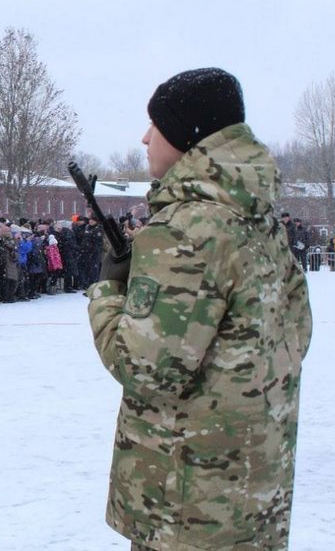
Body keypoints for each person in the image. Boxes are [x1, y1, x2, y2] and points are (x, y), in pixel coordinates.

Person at [87, 67, 312, 550]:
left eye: (157, 124)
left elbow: (144, 367)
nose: (145, 137)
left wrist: (108, 291)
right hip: (253, 489)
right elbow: (296, 336)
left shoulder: (186, 228)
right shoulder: (260, 218)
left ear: (190, 135)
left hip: (186, 508)